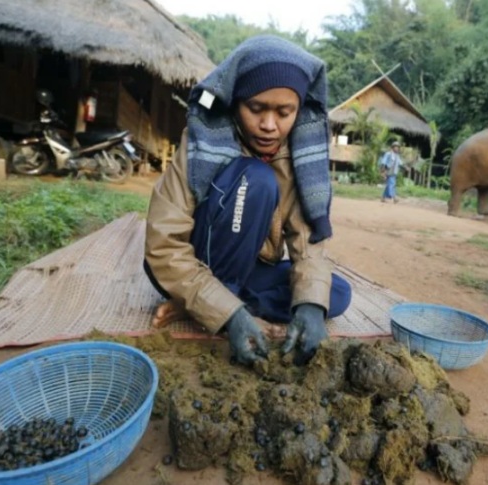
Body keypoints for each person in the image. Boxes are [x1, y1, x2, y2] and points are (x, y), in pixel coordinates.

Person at [143, 35, 352, 366]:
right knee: (257, 179)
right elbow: (164, 246)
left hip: (248, 269)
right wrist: (232, 319)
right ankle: (223, 306)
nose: (269, 126)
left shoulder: (300, 155)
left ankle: (204, 303)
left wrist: (310, 306)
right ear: (236, 101)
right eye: (255, 109)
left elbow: (307, 243)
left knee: (333, 293)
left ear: (299, 109)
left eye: (285, 112)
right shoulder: (201, 140)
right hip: (195, 261)